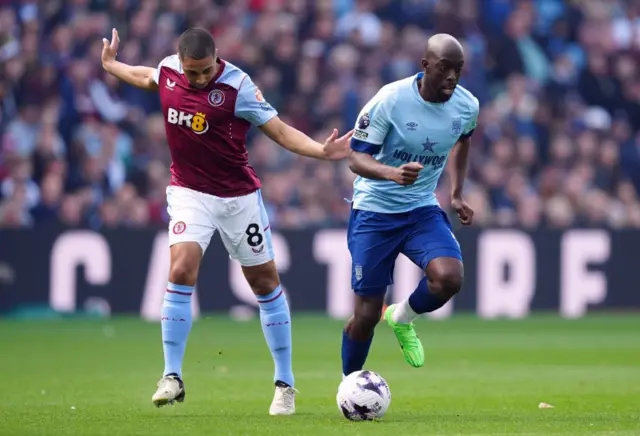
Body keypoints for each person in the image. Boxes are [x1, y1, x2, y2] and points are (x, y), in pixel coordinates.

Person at [101, 27, 352, 415]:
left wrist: (321, 151)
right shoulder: (169, 71)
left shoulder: (239, 87)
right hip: (188, 192)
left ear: (217, 58)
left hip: (238, 199)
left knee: (265, 283)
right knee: (181, 268)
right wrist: (112, 65)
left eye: (205, 71)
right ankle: (172, 375)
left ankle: (285, 383)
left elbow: (280, 131)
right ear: (180, 62)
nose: (199, 79)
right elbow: (145, 76)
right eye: (192, 72)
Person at [341, 33, 479, 376]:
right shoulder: (391, 99)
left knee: (449, 278)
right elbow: (355, 158)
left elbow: (463, 142)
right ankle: (350, 383)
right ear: (425, 65)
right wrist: (391, 173)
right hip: (374, 212)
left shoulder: (467, 105)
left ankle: (402, 317)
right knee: (366, 315)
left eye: (458, 70)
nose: (451, 77)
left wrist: (457, 193)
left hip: (420, 209)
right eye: (445, 68)